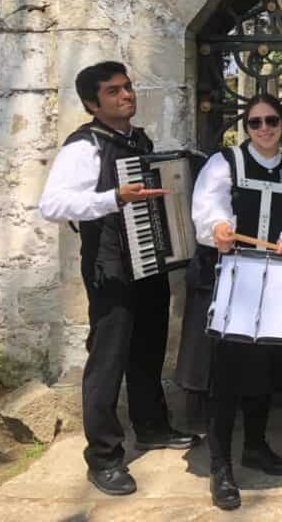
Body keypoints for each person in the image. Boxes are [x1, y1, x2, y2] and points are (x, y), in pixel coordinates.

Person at [39, 61, 197, 496]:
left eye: (127, 88)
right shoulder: (84, 147)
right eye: (113, 92)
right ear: (92, 102)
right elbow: (52, 205)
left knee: (146, 352)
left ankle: (151, 428)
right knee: (106, 363)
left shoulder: (137, 140)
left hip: (147, 263)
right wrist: (112, 198)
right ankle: (104, 457)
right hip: (110, 269)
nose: (126, 96)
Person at [183, 93, 282, 510]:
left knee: (262, 371)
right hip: (228, 279)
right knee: (225, 378)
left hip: (273, 280)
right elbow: (208, 204)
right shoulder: (225, 162)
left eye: (271, 121)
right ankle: (221, 467)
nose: (264, 129)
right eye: (255, 123)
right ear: (246, 127)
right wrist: (219, 226)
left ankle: (255, 446)